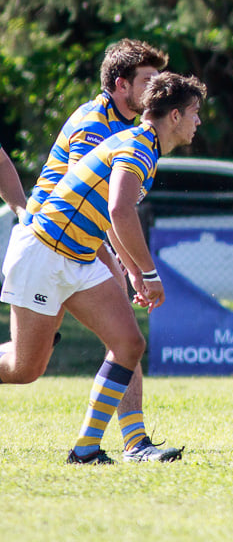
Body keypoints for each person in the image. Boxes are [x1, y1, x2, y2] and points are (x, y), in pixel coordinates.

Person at [0, 72, 206, 464]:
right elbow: (119, 210)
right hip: (43, 254)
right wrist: (148, 274)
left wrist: (132, 270)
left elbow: (110, 218)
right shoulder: (138, 146)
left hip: (78, 256)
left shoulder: (145, 146)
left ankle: (86, 449)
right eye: (195, 113)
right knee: (24, 368)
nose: (199, 122)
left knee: (129, 345)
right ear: (175, 116)